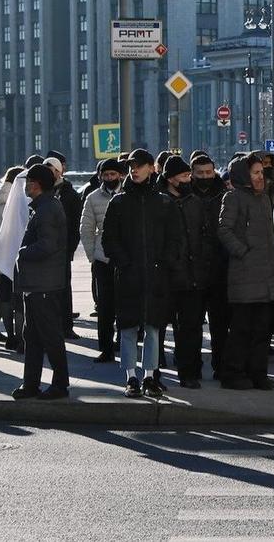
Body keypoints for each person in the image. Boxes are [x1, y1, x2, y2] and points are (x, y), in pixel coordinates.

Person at [102, 149, 178, 399]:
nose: (134, 169)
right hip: (129, 274)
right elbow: (109, 239)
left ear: (151, 168)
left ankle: (149, 376)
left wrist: (163, 263)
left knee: (153, 327)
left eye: (140, 165)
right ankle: (131, 377)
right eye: (132, 166)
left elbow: (174, 239)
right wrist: (124, 263)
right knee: (128, 327)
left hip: (155, 275)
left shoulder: (163, 202)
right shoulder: (120, 202)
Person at [217, 153, 274, 390]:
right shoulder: (233, 197)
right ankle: (232, 373)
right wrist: (243, 251)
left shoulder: (264, 198)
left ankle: (258, 373)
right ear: (244, 175)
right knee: (241, 329)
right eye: (255, 173)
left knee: (262, 330)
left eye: (261, 173)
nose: (260, 177)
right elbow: (224, 230)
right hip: (244, 274)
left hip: (264, 274)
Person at [11, 164, 71, 400]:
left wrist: (22, 252)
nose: (25, 186)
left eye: (28, 182)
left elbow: (48, 245)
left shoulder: (46, 209)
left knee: (49, 336)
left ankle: (59, 384)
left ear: (35, 184)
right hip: (38, 284)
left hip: (43, 284)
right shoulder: (44, 206)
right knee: (33, 336)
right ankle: (31, 384)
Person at [160, 155, 215, 390]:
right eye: (184, 176)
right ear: (171, 179)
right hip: (170, 275)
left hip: (195, 274)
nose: (188, 179)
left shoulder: (194, 202)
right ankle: (164, 370)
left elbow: (205, 235)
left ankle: (191, 371)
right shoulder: (160, 202)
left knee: (192, 326)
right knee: (167, 326)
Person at [190, 155, 231, 380]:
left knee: (220, 324)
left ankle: (220, 365)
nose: (205, 177)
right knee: (193, 324)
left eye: (208, 173)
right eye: (200, 173)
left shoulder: (223, 195)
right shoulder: (187, 195)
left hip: (219, 268)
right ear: (192, 173)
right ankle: (193, 367)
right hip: (193, 268)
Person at [80, 158, 125, 362]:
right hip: (103, 259)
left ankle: (125, 345)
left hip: (125, 258)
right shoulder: (92, 198)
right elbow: (86, 229)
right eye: (105, 175)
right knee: (105, 307)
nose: (109, 178)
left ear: (120, 175)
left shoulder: (128, 194)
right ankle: (106, 348)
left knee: (125, 305)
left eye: (113, 174)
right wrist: (92, 254)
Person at [43, 156, 83, 339]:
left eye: (52, 170)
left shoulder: (69, 193)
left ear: (59, 172)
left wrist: (70, 248)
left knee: (64, 288)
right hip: (44, 248)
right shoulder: (42, 191)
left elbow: (75, 224)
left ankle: (66, 325)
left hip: (63, 249)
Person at [0, 166, 23, 346]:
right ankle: (19, 336)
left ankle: (10, 335)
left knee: (4, 297)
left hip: (1, 256)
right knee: (18, 299)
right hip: (18, 257)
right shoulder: (18, 200)